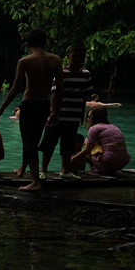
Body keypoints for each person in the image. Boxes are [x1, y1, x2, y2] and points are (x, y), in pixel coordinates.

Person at [0, 28, 64, 191]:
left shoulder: (25, 61)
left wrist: (1, 109)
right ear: (45, 43)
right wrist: (56, 111)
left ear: (27, 44)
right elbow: (60, 88)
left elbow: (15, 88)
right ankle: (22, 169)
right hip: (45, 105)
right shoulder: (56, 60)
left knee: (29, 142)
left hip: (29, 104)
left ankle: (35, 182)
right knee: (33, 140)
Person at [39, 43, 93, 180]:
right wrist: (53, 113)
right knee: (49, 144)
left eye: (81, 57)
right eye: (75, 56)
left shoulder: (86, 74)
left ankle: (65, 170)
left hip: (73, 115)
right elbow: (54, 94)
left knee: (68, 145)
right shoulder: (62, 72)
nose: (78, 59)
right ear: (68, 56)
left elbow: (84, 96)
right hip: (57, 115)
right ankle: (43, 170)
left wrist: (82, 114)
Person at [70, 106, 130, 175]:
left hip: (108, 161)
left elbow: (87, 150)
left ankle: (93, 168)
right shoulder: (113, 126)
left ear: (95, 118)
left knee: (86, 142)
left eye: (89, 117)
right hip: (123, 161)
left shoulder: (94, 128)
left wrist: (72, 159)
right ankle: (95, 167)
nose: (87, 119)